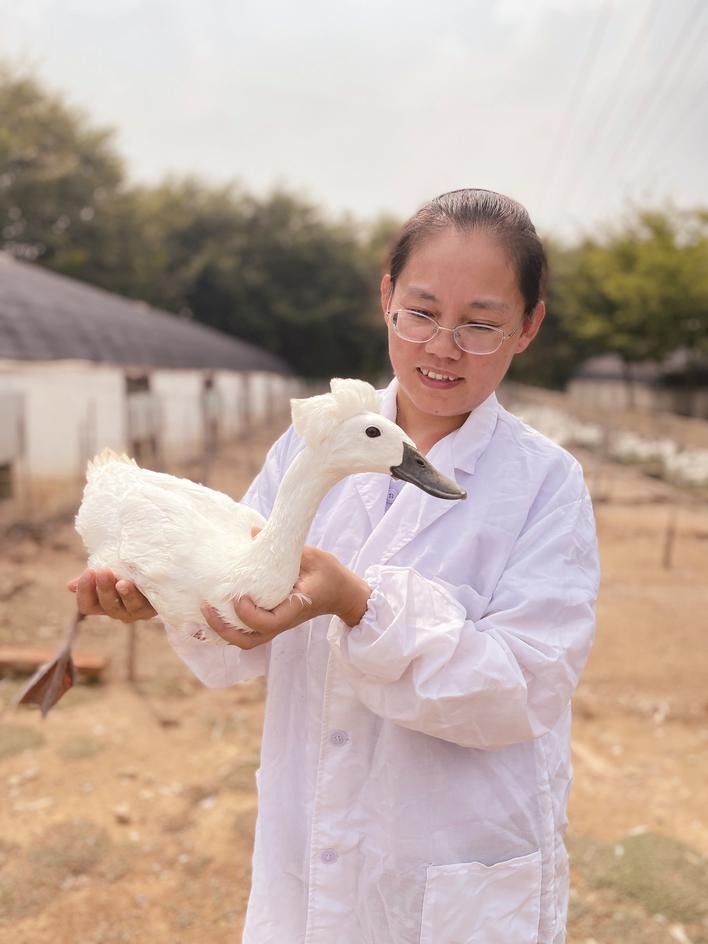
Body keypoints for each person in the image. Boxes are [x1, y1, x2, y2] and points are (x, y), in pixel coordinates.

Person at [70, 188, 600, 944]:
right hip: (311, 849)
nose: (443, 346)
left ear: (527, 327)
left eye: (480, 323)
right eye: (421, 311)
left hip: (454, 861)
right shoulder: (307, 445)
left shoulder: (545, 485)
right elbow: (240, 627)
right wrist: (165, 598)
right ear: (386, 299)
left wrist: (361, 604)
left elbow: (522, 691)